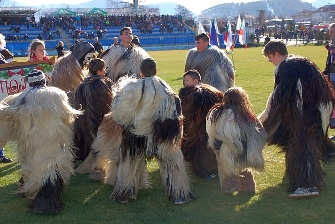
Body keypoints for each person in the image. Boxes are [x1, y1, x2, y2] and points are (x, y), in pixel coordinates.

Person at [91, 58, 194, 204]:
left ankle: (126, 194)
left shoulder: (130, 88)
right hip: (163, 133)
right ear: (156, 71)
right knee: (171, 162)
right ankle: (178, 195)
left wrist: (127, 124)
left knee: (130, 161)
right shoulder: (167, 90)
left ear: (141, 72)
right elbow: (176, 114)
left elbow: (118, 112)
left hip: (135, 133)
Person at [258, 55, 335, 198]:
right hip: (320, 107)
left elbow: (278, 101)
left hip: (311, 111)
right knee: (301, 141)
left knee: (303, 145)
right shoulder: (302, 69)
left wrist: (260, 125)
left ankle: (307, 186)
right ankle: (301, 175)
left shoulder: (288, 71)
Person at [0, 69, 82, 214]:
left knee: (34, 167)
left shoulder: (20, 98)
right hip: (55, 142)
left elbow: (9, 118)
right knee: (53, 170)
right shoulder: (57, 94)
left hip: (31, 143)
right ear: (44, 80)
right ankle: (48, 201)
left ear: (29, 83)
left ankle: (38, 197)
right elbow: (68, 117)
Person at [206, 87, 266, 193]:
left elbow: (217, 133)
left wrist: (216, 147)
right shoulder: (248, 115)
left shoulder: (220, 114)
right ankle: (248, 188)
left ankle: (231, 188)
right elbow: (259, 132)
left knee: (228, 171)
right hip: (246, 149)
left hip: (227, 150)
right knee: (245, 169)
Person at [179, 70, 223, 179]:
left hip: (202, 128)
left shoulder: (204, 93)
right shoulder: (190, 93)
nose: (185, 83)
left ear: (196, 81)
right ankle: (203, 169)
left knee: (202, 148)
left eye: (187, 80)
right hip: (198, 127)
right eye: (184, 80)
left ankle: (204, 170)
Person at [73, 58, 113, 162]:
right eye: (104, 68)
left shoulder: (81, 86)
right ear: (99, 71)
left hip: (86, 126)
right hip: (102, 123)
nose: (105, 70)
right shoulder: (105, 83)